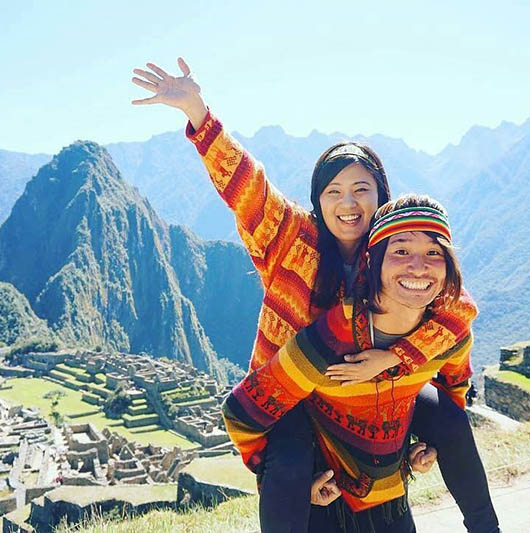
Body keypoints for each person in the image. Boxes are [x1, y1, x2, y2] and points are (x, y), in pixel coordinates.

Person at [131, 58, 499, 533]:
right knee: (287, 467)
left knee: (448, 421)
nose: (348, 204)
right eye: (334, 191)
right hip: (297, 390)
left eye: (361, 190)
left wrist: (398, 362)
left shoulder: (400, 253)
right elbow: (247, 188)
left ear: (381, 197)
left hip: (371, 392)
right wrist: (199, 114)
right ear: (317, 199)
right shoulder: (290, 241)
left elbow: (456, 314)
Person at [224, 194, 475, 532]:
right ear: (375, 262)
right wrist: (282, 479)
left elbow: (453, 387)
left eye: (434, 252)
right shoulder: (335, 335)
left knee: (452, 418)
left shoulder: (447, 329)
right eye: (401, 251)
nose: (418, 266)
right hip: (322, 482)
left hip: (386, 487)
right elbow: (244, 410)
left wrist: (430, 439)